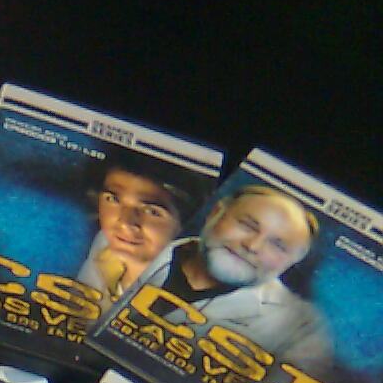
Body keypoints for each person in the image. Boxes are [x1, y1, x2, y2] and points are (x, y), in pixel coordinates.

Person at [136, 184, 332, 369]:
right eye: (248, 225)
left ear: (291, 263)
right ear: (215, 213)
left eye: (277, 245)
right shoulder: (128, 243)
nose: (252, 246)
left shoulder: (298, 328)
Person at [77, 150, 209, 306]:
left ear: (184, 224)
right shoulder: (104, 245)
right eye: (113, 199)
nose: (125, 222)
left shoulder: (186, 300)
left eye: (152, 211)